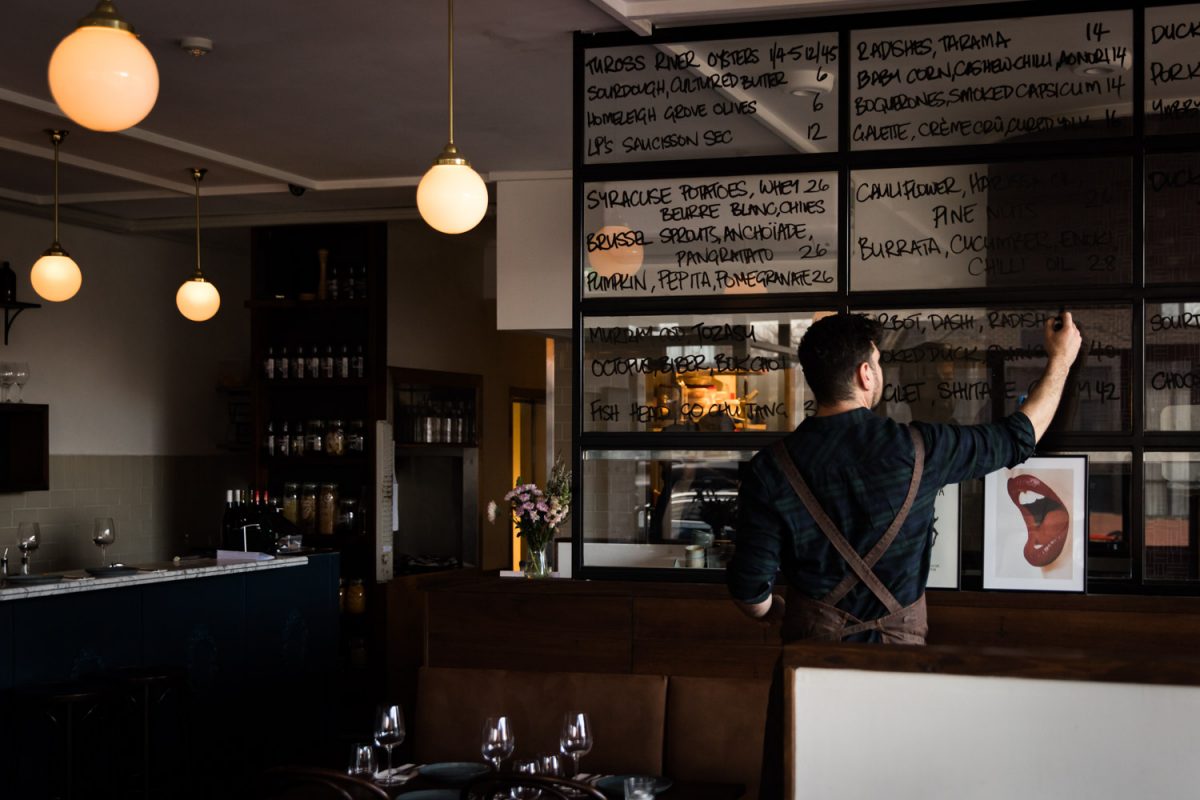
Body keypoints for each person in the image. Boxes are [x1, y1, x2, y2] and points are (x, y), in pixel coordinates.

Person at [727, 310, 1082, 642]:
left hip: (810, 664)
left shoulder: (771, 467)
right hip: (895, 664)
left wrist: (776, 611)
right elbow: (1021, 434)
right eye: (878, 363)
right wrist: (1061, 360)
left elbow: (749, 591)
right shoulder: (920, 449)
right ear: (865, 374)